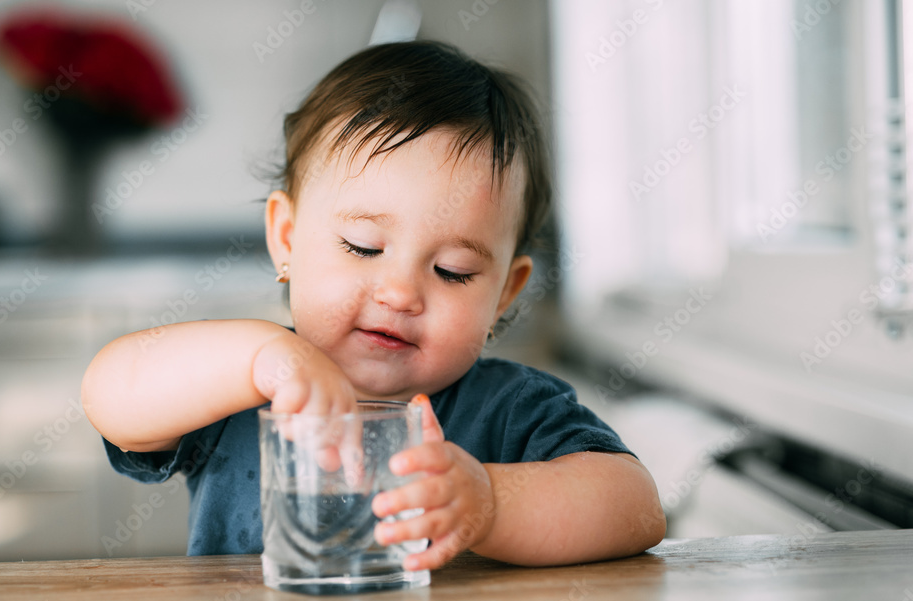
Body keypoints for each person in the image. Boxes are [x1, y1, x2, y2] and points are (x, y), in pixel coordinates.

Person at [82, 40, 665, 571]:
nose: (400, 294)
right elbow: (110, 395)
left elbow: (637, 508)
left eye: (452, 272)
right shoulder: (241, 385)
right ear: (287, 238)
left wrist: (488, 502)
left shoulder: (510, 408)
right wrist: (264, 356)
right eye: (363, 247)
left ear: (505, 294)